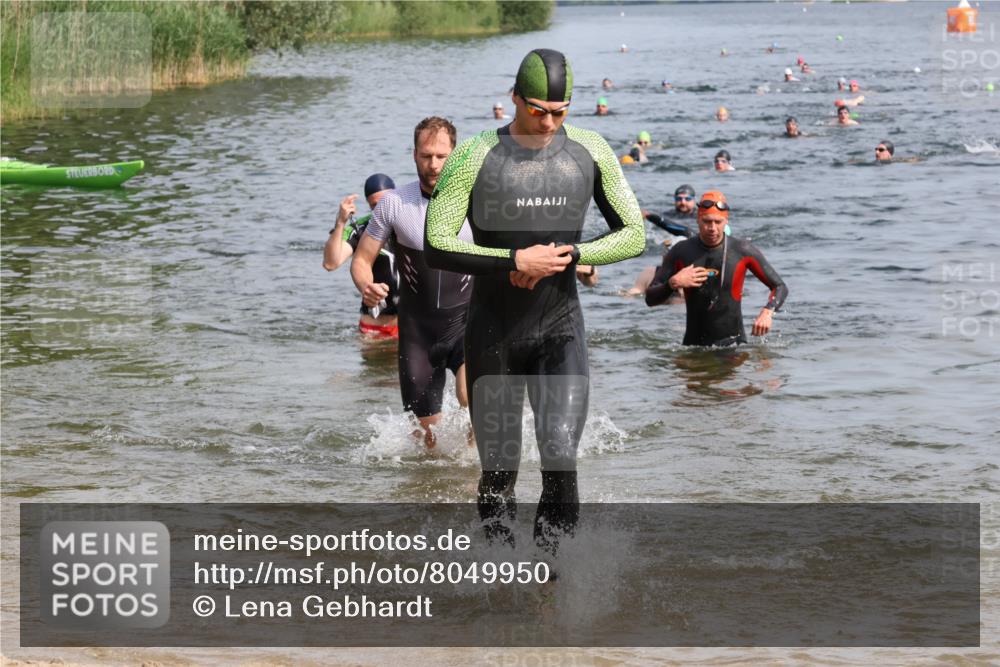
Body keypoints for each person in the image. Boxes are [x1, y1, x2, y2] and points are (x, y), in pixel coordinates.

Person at [424, 48, 645, 555]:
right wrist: (513, 260)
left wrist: (569, 256)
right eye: (537, 109)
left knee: (561, 455)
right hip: (493, 332)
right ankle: (502, 573)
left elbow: (633, 235)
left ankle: (553, 577)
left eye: (560, 111)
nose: (548, 121)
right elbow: (438, 241)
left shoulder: (589, 149)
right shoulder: (476, 153)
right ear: (514, 99)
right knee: (500, 467)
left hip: (560, 327)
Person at [351, 117, 472, 447]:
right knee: (426, 443)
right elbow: (361, 260)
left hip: (466, 323)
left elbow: (511, 253)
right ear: (414, 155)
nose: (433, 165)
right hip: (418, 333)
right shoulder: (393, 204)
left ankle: (475, 483)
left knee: (472, 399)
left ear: (455, 155)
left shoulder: (476, 201)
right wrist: (366, 285)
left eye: (441, 156)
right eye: (425, 155)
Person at [645, 191, 788, 346]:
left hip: (734, 347)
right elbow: (650, 299)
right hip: (693, 348)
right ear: (698, 220)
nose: (712, 228)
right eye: (707, 221)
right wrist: (672, 283)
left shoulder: (742, 250)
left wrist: (768, 312)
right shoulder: (681, 251)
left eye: (718, 222)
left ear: (726, 221)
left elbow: (779, 286)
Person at [324, 173, 399, 338]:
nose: (382, 208)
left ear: (396, 196)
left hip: (412, 325)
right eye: (375, 204)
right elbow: (331, 263)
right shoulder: (361, 229)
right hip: (374, 328)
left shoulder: (412, 220)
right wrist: (340, 223)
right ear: (369, 205)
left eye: (386, 201)